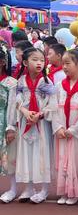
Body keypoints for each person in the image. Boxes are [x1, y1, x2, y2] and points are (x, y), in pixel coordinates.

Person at [15, 47, 56, 204]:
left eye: (41, 60)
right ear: (25, 62)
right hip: (26, 121)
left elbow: (53, 104)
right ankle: (29, 187)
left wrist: (39, 114)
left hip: (40, 123)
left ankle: (44, 189)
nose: (39, 63)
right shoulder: (21, 81)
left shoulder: (46, 82)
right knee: (26, 153)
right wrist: (25, 112)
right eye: (34, 60)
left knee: (42, 153)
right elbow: (17, 100)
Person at [52, 49, 78, 206]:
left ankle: (75, 191)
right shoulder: (60, 85)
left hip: (75, 130)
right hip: (62, 127)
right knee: (62, 160)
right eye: (63, 64)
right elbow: (54, 108)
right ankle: (65, 190)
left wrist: (73, 129)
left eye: (68, 63)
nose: (64, 67)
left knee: (75, 160)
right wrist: (58, 127)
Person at [0, 45, 18, 203]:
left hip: (4, 120)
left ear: (2, 62)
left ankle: (13, 188)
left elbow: (12, 105)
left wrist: (10, 127)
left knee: (9, 156)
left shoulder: (11, 83)